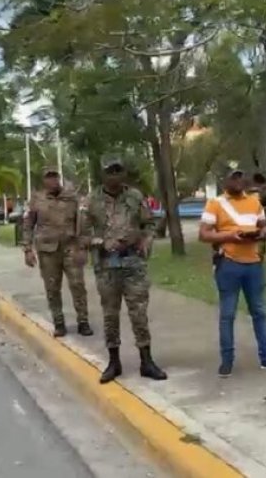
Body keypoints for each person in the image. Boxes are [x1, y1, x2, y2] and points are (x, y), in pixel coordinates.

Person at [82, 155, 167, 384]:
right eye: (110, 171)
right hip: (107, 266)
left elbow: (149, 223)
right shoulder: (91, 201)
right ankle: (113, 362)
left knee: (139, 313)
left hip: (133, 264)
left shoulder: (135, 196)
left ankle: (146, 361)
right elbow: (81, 235)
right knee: (110, 315)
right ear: (103, 174)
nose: (115, 175)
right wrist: (101, 243)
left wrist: (146, 240)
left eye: (118, 171)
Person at [198, 169, 266, 378]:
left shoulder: (254, 202)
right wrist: (231, 235)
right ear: (225, 180)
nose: (238, 181)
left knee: (259, 311)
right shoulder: (216, 203)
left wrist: (261, 234)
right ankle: (227, 360)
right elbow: (204, 234)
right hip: (228, 264)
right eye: (233, 177)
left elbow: (265, 227)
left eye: (241, 177)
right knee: (228, 314)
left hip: (254, 263)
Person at [22, 166, 93, 337]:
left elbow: (82, 223)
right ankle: (59, 323)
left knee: (78, 285)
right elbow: (28, 225)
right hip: (47, 251)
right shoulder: (37, 200)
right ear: (44, 180)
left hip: (71, 247)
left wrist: (83, 246)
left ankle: (83, 321)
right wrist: (27, 249)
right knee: (52, 288)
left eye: (55, 177)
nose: (52, 180)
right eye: (49, 177)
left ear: (59, 178)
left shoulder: (71, 197)